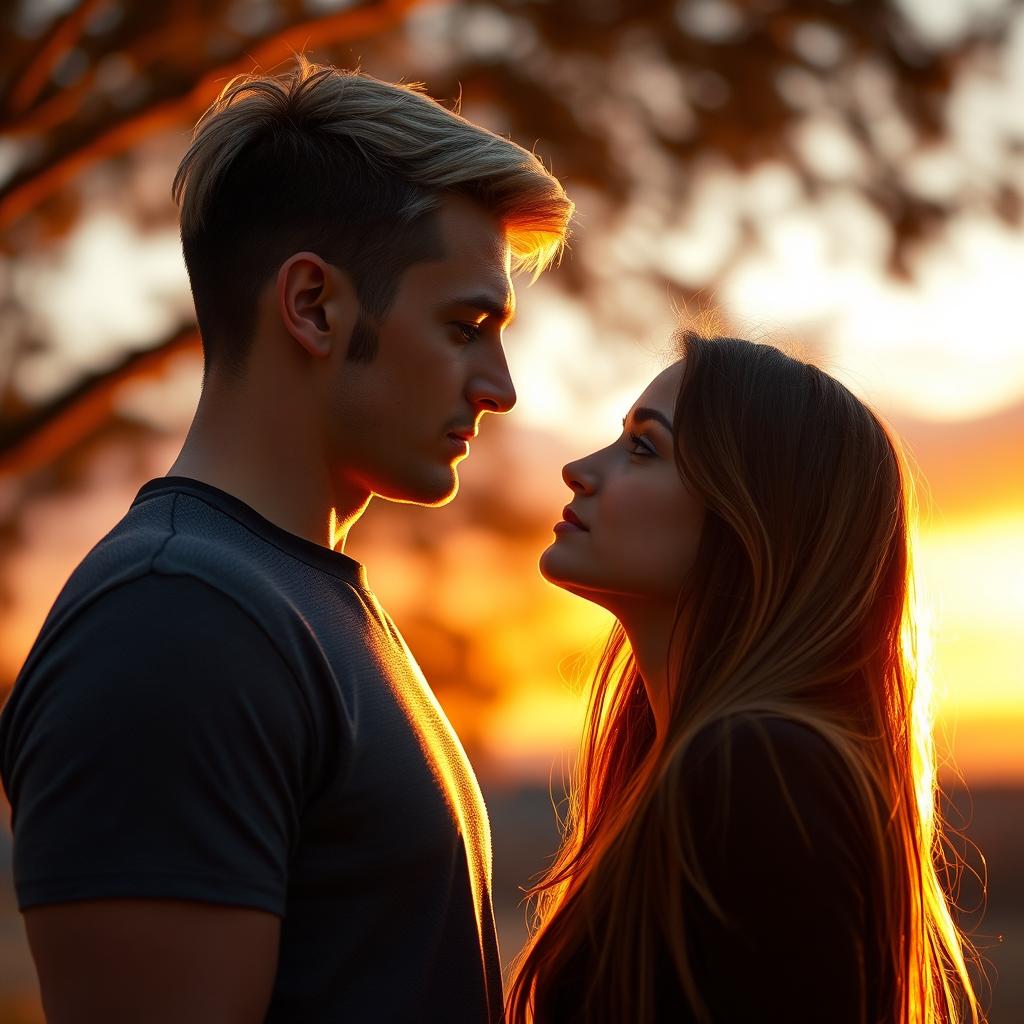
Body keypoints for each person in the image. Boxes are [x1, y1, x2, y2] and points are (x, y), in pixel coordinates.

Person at [0, 58, 572, 1023]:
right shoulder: (173, 621)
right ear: (313, 306)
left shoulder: (290, 605)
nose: (500, 386)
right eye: (466, 324)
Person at [507, 332, 982, 1024]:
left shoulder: (759, 768)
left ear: (747, 514)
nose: (579, 469)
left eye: (643, 448)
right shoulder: (713, 764)